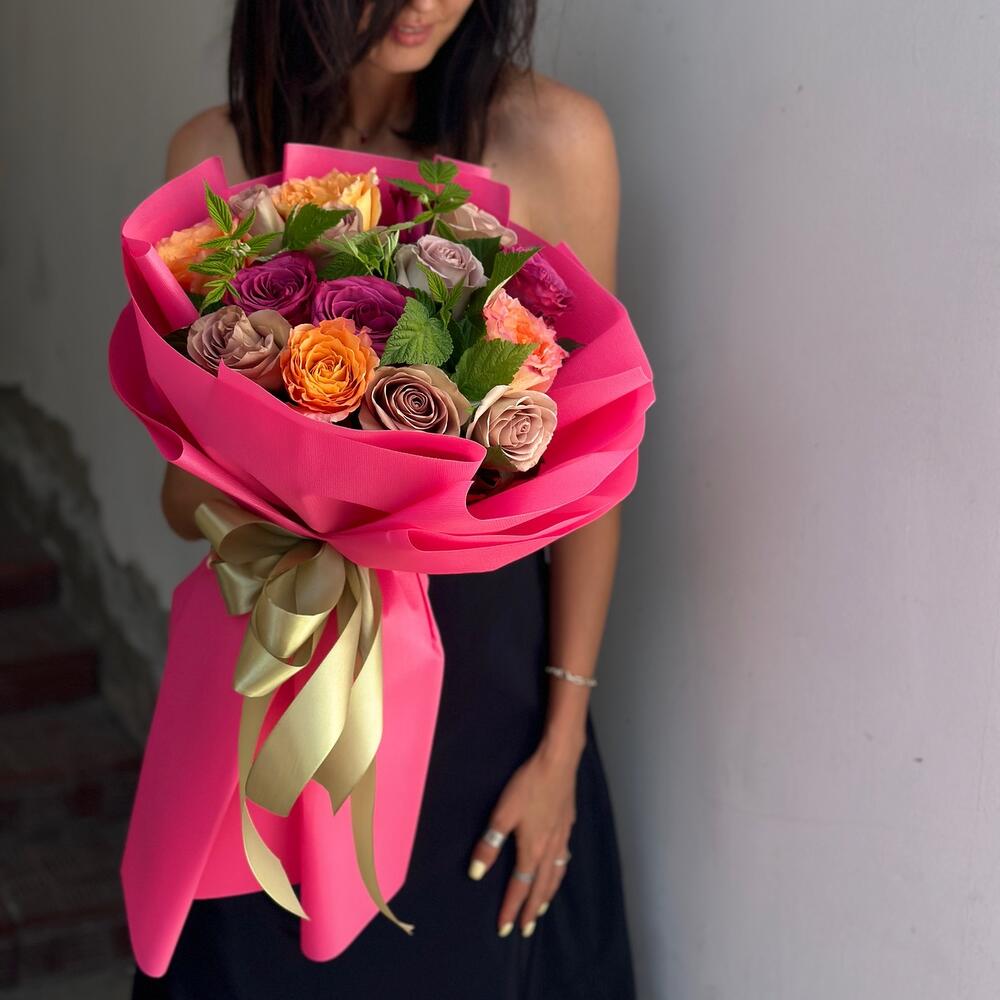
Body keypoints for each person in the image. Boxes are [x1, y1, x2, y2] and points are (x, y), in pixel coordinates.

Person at [133, 1, 635, 996]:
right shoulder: (215, 156)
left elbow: (595, 474)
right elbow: (179, 502)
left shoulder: (555, 140)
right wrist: (296, 476)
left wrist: (562, 745)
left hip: (476, 682)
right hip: (272, 659)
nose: (421, 2)